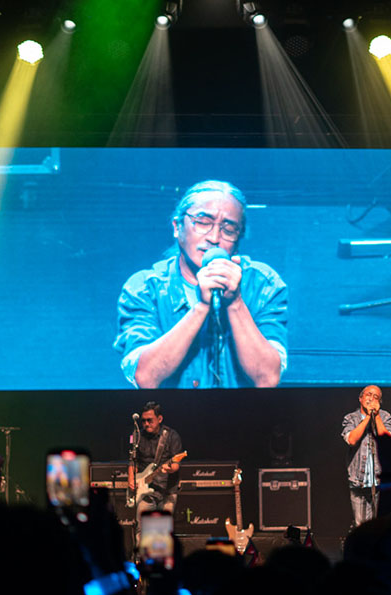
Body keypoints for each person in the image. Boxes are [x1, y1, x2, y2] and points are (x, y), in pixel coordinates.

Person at [114, 180, 288, 389]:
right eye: (203, 222)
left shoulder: (264, 284)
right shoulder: (144, 287)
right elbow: (146, 378)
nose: (214, 238)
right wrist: (201, 307)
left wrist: (235, 302)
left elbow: (267, 378)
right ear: (177, 227)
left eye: (228, 229)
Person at [341, 385, 391, 527]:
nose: (371, 398)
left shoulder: (385, 417)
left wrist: (376, 416)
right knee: (361, 527)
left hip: (380, 482)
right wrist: (367, 418)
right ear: (361, 398)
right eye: (368, 395)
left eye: (376, 397)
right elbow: (351, 440)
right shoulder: (351, 418)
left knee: (380, 526)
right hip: (358, 481)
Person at [128, 402, 184, 526]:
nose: (146, 424)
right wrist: (131, 478)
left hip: (167, 490)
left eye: (150, 420)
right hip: (145, 490)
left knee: (163, 529)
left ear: (159, 419)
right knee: (142, 527)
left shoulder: (171, 436)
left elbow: (175, 465)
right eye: (143, 421)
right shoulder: (138, 435)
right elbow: (132, 461)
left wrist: (169, 469)